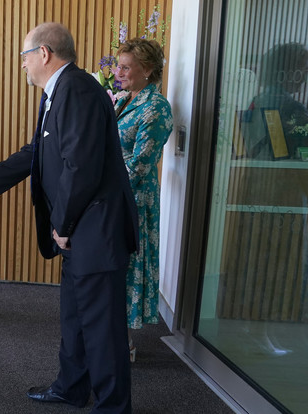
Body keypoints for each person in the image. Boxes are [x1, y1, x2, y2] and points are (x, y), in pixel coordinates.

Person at [0, 22, 137, 413]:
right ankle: (71, 387)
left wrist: (63, 225)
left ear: (44, 54)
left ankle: (113, 408)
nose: (22, 65)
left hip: (94, 230)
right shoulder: (61, 91)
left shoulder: (78, 90)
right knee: (75, 318)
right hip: (82, 229)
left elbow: (80, 167)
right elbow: (35, 152)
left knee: (102, 330)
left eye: (24, 56)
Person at [113, 38, 174, 361]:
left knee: (127, 267)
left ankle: (125, 345)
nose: (117, 72)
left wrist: (103, 181)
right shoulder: (126, 98)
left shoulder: (156, 107)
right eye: (118, 65)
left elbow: (140, 163)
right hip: (114, 194)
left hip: (133, 198)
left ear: (147, 70)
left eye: (125, 67)